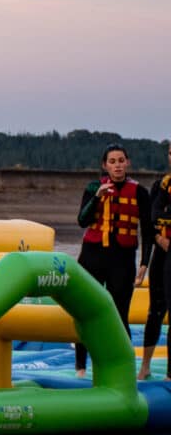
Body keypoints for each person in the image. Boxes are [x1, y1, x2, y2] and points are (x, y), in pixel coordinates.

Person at [74, 143, 153, 377]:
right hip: (92, 257)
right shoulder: (93, 187)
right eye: (112, 162)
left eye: (121, 161)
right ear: (104, 165)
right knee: (86, 311)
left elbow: (147, 232)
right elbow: (82, 220)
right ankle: (80, 367)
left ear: (127, 163)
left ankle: (124, 368)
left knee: (120, 315)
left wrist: (144, 264)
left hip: (123, 260)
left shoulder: (140, 192)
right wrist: (96, 198)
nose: (117, 166)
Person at [141, 141, 171, 379]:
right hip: (162, 253)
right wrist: (159, 238)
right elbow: (151, 218)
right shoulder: (160, 185)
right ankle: (145, 366)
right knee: (155, 311)